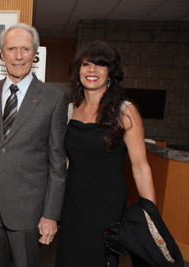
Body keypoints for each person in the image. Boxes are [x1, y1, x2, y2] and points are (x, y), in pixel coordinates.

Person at [55, 41, 156, 266]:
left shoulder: (125, 111)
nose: (92, 70)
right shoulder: (71, 110)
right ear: (78, 70)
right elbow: (68, 162)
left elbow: (140, 167)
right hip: (72, 203)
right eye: (86, 64)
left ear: (110, 73)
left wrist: (151, 216)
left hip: (106, 206)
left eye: (100, 65)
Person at [0, 23, 69, 266]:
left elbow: (57, 163)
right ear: (1, 54)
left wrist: (50, 214)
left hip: (28, 210)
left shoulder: (54, 98)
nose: (18, 56)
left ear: (34, 54)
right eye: (12, 49)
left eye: (25, 49)